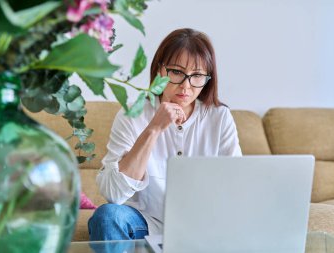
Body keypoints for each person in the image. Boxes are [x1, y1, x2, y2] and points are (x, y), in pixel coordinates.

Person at [88, 28, 242, 241]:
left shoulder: (219, 117)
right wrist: (154, 129)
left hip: (203, 225)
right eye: (177, 72)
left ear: (207, 78)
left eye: (197, 75)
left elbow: (237, 186)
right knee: (107, 217)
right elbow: (113, 194)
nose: (186, 86)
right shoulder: (132, 113)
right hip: (145, 222)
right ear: (160, 70)